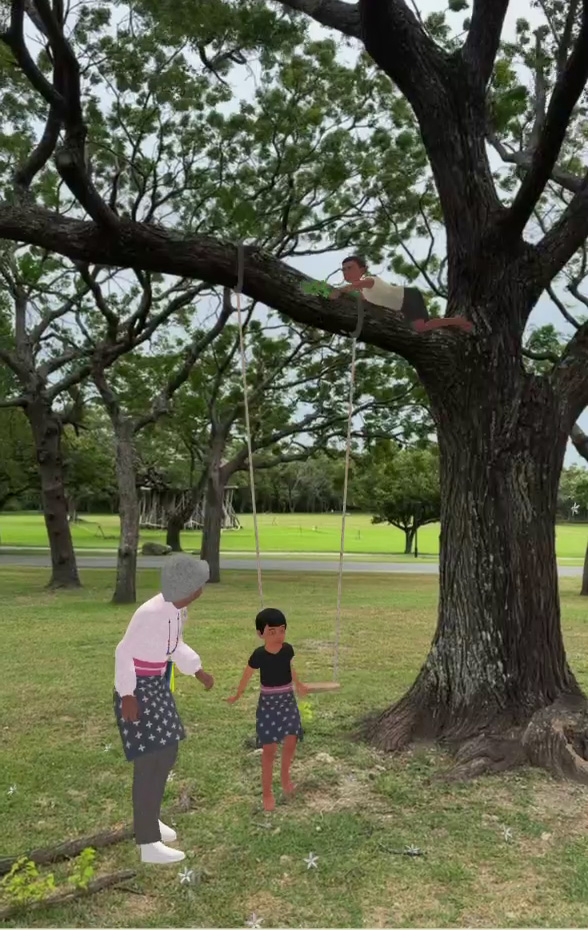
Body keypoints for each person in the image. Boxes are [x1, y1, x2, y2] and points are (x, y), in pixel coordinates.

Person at [113, 554, 214, 865]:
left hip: (156, 686)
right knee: (149, 760)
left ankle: (150, 818)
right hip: (136, 689)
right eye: (199, 585)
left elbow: (175, 647)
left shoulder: (178, 611)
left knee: (167, 753)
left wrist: (197, 671)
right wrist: (128, 694)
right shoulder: (151, 612)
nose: (202, 591)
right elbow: (124, 650)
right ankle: (147, 843)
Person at [227, 607, 308, 812]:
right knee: (269, 750)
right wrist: (238, 694)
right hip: (269, 704)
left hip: (287, 700)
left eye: (282, 630)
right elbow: (247, 674)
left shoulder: (288, 649)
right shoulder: (259, 654)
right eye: (272, 632)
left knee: (291, 740)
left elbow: (290, 667)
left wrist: (299, 684)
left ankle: (285, 778)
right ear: (260, 634)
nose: (279, 636)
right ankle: (267, 793)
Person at [329, 254, 474, 333]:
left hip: (408, 297)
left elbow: (352, 287)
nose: (347, 272)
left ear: (362, 269)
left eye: (350, 268)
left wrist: (338, 292)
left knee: (420, 327)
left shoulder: (369, 280)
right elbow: (357, 296)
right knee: (421, 327)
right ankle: (456, 321)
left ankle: (458, 321)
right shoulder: (363, 293)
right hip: (401, 306)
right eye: (344, 269)